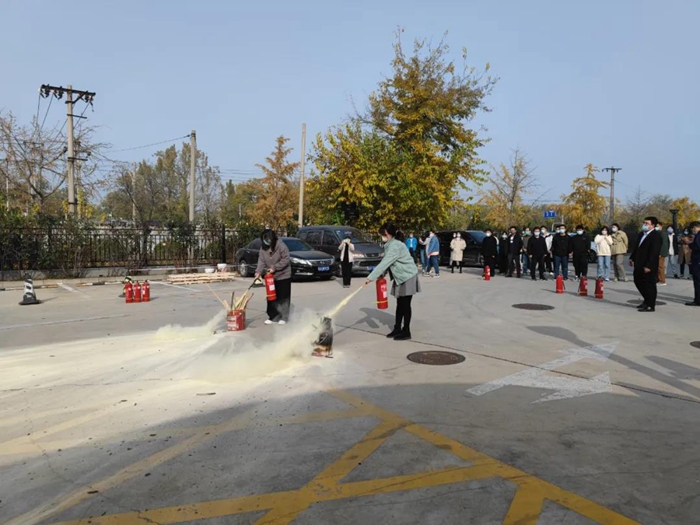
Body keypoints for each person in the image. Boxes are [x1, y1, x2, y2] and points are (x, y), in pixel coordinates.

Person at [365, 223, 421, 340]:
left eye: (383, 234)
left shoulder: (395, 246)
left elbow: (385, 262)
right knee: (399, 304)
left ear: (388, 234)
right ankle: (397, 328)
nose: (382, 236)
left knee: (405, 304)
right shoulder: (390, 245)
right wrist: (382, 273)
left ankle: (406, 331)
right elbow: (389, 262)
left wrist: (371, 277)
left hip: (407, 276)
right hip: (400, 276)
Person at [255, 229, 292, 325]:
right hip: (271, 277)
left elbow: (286, 259)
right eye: (265, 239)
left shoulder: (281, 246)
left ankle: (284, 316)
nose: (267, 241)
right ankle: (273, 316)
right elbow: (261, 261)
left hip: (283, 275)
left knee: (283, 296)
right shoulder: (263, 249)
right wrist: (258, 272)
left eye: (268, 239)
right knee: (271, 296)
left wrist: (275, 267)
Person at [629, 216, 662, 312]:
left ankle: (651, 305)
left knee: (649, 284)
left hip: (648, 264)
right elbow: (637, 247)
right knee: (638, 281)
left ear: (653, 225)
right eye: (644, 223)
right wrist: (632, 258)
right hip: (639, 262)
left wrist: (649, 266)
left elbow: (654, 252)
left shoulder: (656, 236)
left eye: (647, 223)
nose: (644, 225)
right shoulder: (641, 234)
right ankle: (646, 300)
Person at [685, 222, 700, 306]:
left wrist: (690, 244)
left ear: (695, 227)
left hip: (698, 260)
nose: (692, 230)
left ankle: (698, 300)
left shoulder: (698, 235)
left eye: (692, 228)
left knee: (697, 281)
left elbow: (697, 246)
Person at [657, 221, 670, 286]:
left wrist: (661, 253)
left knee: (660, 267)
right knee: (657, 267)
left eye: (657, 226)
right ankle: (658, 279)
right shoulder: (658, 233)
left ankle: (662, 280)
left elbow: (664, 245)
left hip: (660, 253)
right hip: (657, 253)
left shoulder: (663, 233)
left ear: (660, 226)